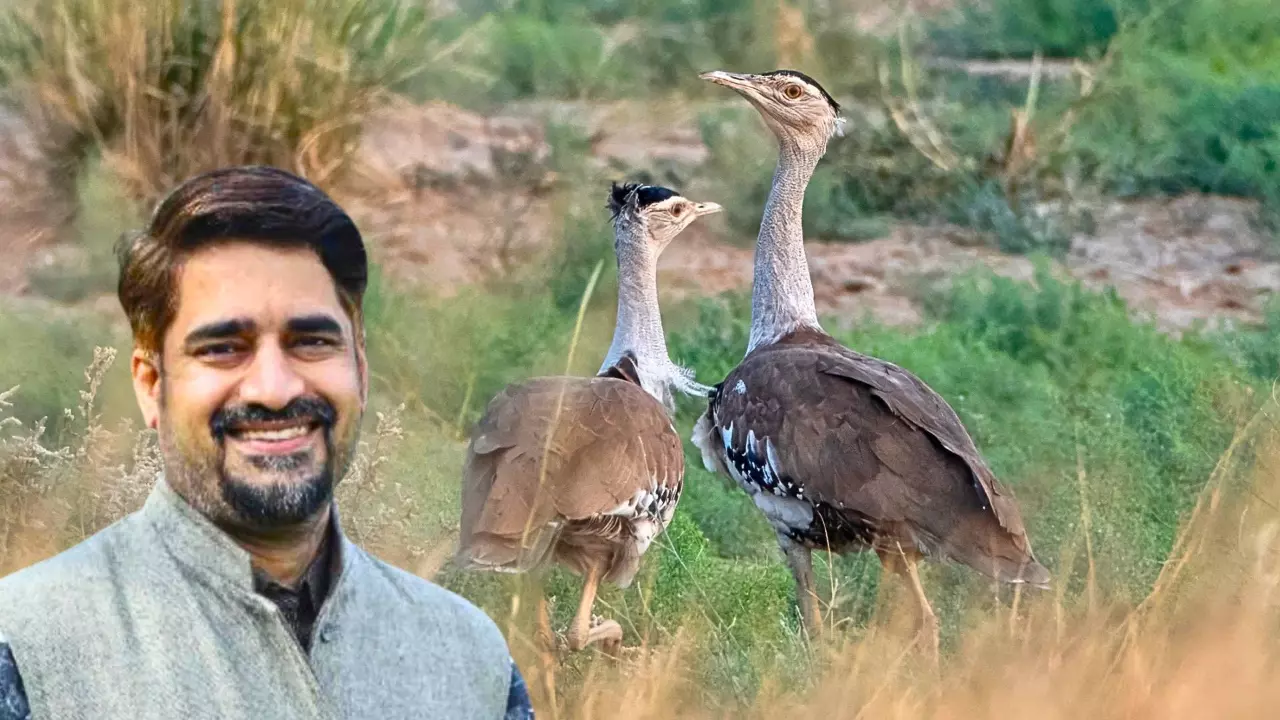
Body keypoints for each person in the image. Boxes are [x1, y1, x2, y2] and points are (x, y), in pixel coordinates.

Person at [0, 166, 535, 720]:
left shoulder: (468, 659)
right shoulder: (30, 648)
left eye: (311, 342)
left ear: (361, 368)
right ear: (151, 383)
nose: (274, 391)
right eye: (224, 348)